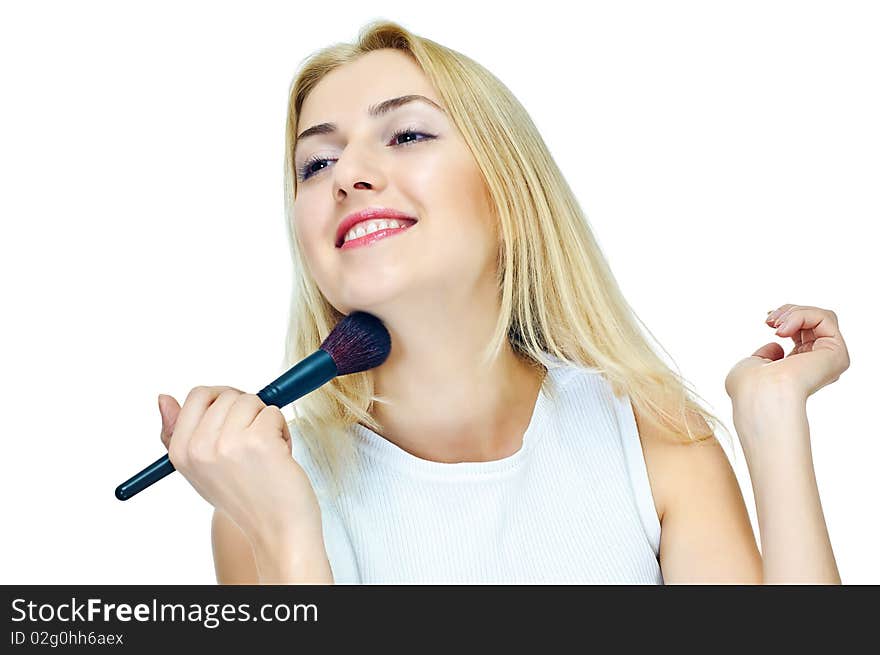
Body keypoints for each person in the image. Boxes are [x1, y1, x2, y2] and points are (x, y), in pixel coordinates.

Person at [157, 20, 850, 584]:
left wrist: (773, 421)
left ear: (510, 197)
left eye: (406, 134)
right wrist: (284, 538)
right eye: (317, 163)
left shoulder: (652, 438)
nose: (350, 176)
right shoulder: (263, 493)